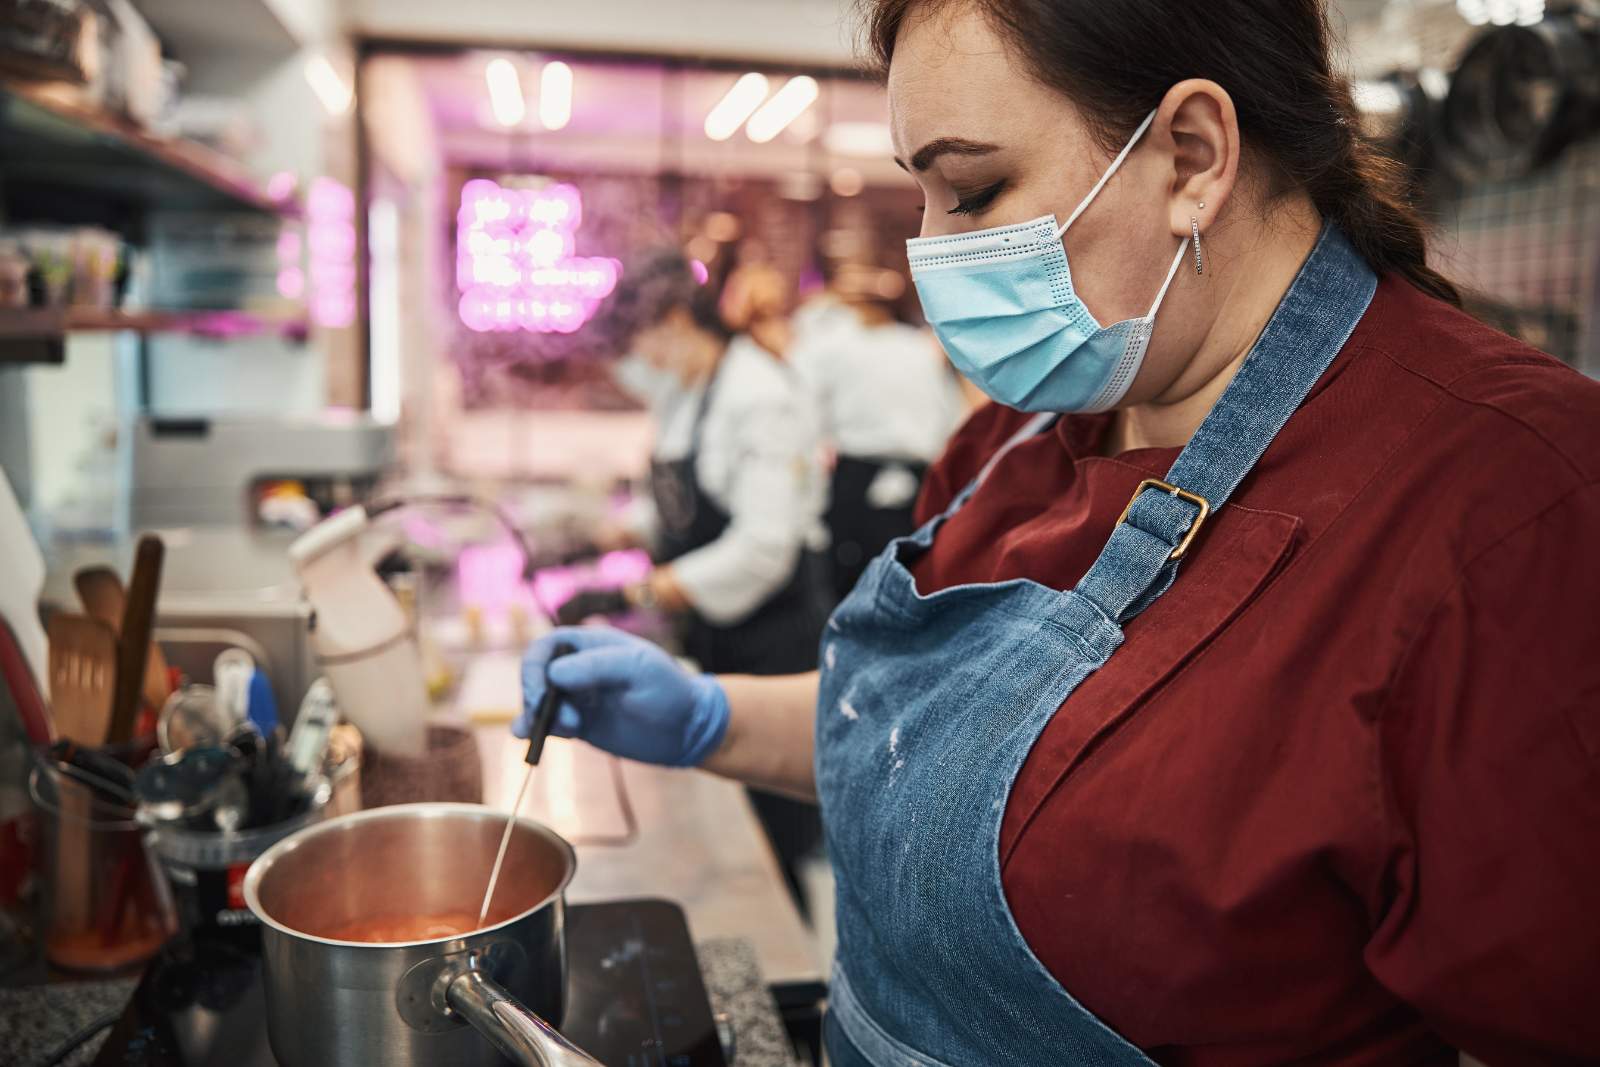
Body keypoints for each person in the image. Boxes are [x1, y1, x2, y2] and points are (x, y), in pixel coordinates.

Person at [518, 2, 1600, 1064]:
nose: (929, 252)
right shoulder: (1015, 440)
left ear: (1189, 156)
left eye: (974, 189)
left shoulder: (1514, 509)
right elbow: (956, 748)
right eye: (924, 195)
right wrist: (713, 718)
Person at [602, 249, 830, 914]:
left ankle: (787, 986)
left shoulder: (758, 392)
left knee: (769, 837)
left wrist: (638, 593)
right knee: (722, 819)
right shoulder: (691, 390)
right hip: (719, 632)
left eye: (640, 338)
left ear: (674, 320)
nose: (638, 358)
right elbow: (681, 504)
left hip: (772, 640)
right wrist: (608, 532)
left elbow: (762, 549)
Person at [789, 263, 969, 599]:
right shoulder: (918, 348)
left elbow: (804, 421)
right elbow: (952, 420)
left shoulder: (834, 347)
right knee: (912, 583)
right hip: (917, 480)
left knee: (852, 590)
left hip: (860, 481)